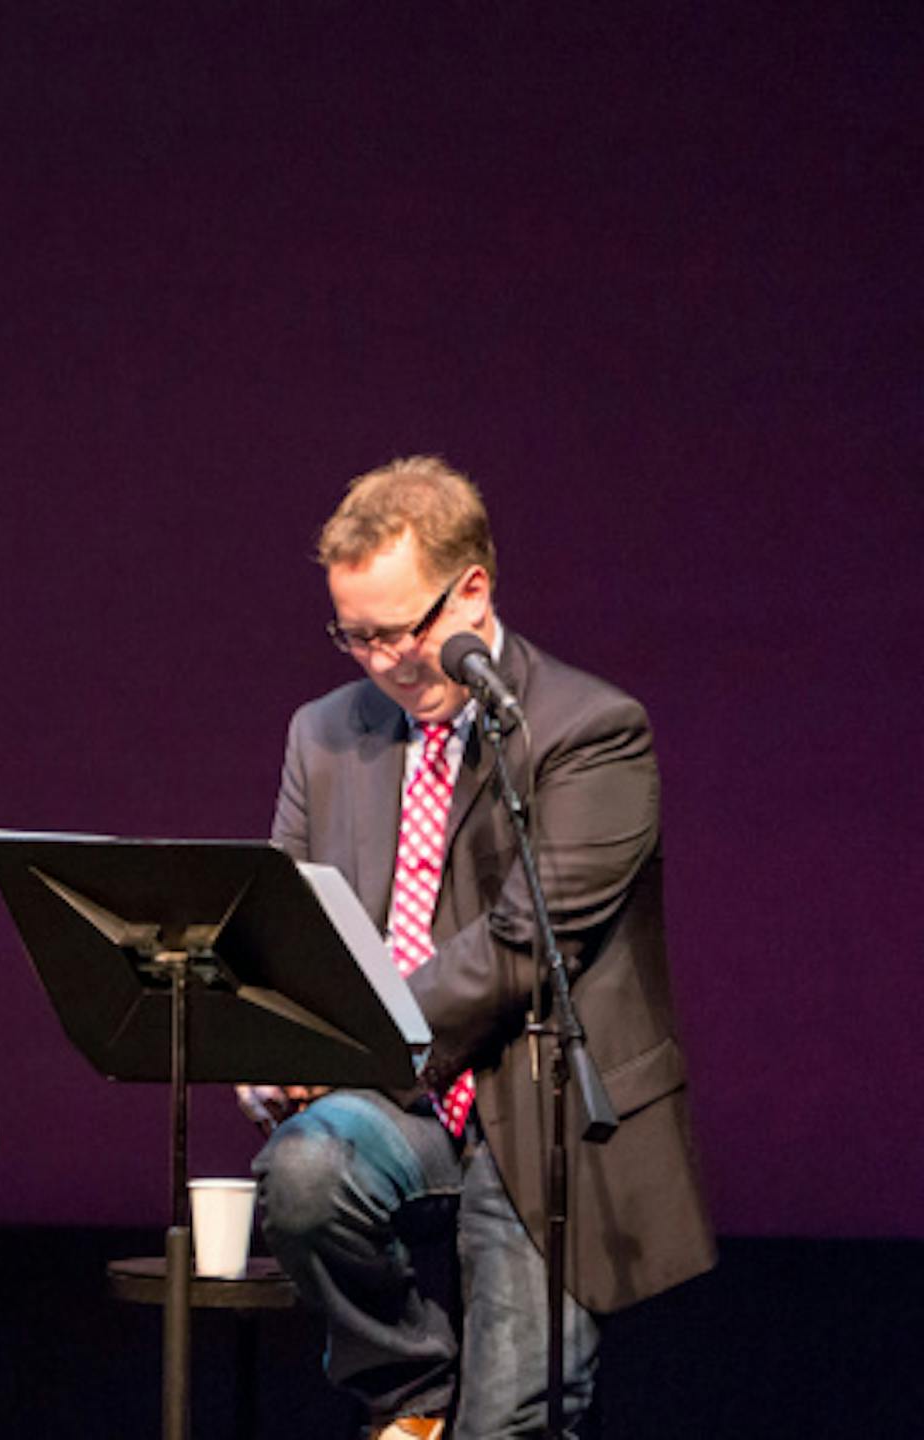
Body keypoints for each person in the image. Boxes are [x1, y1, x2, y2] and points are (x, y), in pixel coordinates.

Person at [242, 457, 715, 1439]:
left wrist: (351, 1039)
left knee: (511, 1421)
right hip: (397, 1102)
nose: (376, 660)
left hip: (537, 1116)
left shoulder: (591, 731)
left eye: (398, 632)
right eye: (352, 634)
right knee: (300, 1170)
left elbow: (518, 949)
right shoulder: (324, 733)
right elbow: (288, 921)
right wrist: (276, 1048)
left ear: (472, 592)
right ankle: (410, 1393)